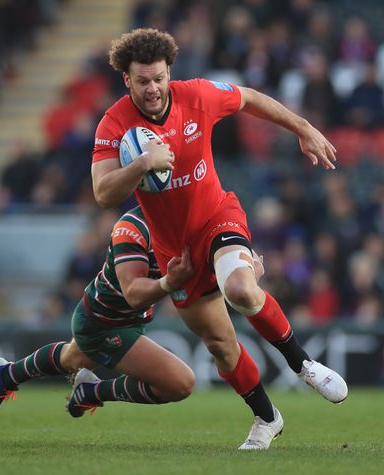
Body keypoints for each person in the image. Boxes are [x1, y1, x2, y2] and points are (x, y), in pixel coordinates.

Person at [90, 28, 348, 450]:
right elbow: (103, 193)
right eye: (142, 81)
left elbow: (247, 97)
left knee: (242, 291)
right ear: (127, 80)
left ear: (169, 71)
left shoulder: (198, 95)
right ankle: (268, 420)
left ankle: (303, 365)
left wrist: (302, 127)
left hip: (217, 216)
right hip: (175, 251)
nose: (153, 88)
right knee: (220, 346)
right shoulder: (115, 123)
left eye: (158, 78)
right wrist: (141, 164)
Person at [0, 206, 197, 423]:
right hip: (107, 322)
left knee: (72, 358)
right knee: (180, 382)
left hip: (119, 317)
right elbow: (134, 293)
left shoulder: (182, 220)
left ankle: (6, 374)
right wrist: (170, 282)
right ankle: (93, 391)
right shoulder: (134, 226)